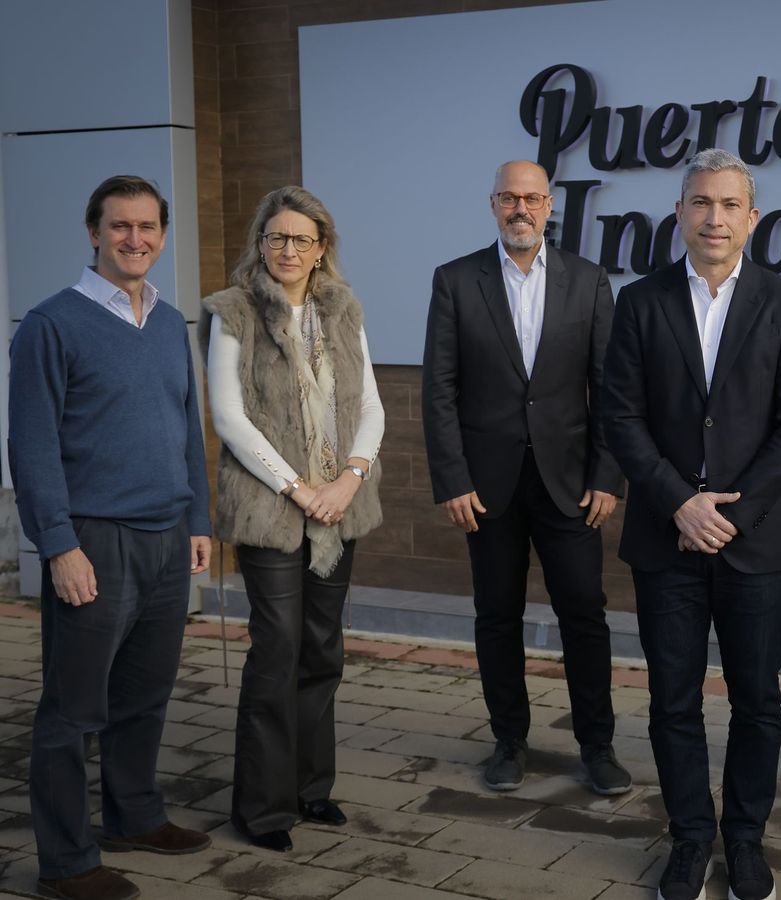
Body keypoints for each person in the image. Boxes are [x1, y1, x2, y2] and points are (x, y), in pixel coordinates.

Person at [601, 148, 781, 900]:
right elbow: (621, 417)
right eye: (701, 202)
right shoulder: (640, 302)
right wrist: (678, 501)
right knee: (673, 700)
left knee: (758, 700)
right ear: (679, 213)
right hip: (666, 537)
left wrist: (731, 513)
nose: (714, 217)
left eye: (729, 205)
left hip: (754, 539)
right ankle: (691, 839)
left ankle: (747, 841)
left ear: (752, 219)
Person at [10, 175, 213, 900]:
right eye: (120, 226)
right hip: (93, 540)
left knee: (144, 695)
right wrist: (58, 545)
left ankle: (134, 816)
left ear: (162, 234)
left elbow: (187, 427)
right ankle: (66, 864)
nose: (135, 239)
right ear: (93, 232)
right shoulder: (51, 324)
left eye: (147, 226)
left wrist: (198, 519)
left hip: (166, 537)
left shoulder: (168, 321)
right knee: (72, 711)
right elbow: (31, 446)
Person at [422, 161, 629, 795]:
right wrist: (452, 479)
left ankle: (597, 746)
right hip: (487, 486)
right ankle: (509, 741)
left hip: (571, 484)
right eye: (510, 197)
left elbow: (612, 388)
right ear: (493, 204)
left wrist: (608, 476)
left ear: (549, 206)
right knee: (496, 615)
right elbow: (439, 389)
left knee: (584, 615)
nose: (521, 208)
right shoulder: (457, 280)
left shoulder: (588, 281)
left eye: (532, 198)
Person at [201, 186, 385, 852]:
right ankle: (261, 809)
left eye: (301, 239)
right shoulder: (234, 311)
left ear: (321, 247)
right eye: (275, 237)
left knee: (322, 648)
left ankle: (311, 787)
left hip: (340, 505)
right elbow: (229, 417)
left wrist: (350, 478)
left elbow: (371, 406)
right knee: (277, 651)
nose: (287, 250)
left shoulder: (343, 310)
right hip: (271, 510)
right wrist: (301, 490)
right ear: (260, 243)